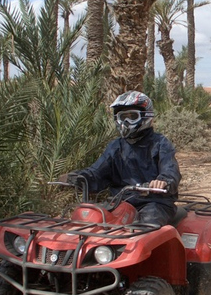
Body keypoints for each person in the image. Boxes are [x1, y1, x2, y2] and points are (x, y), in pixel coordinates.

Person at [62, 91, 181, 226]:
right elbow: (98, 171)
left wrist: (163, 181)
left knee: (146, 228)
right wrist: (80, 177)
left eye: (132, 116)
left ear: (146, 116)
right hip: (120, 202)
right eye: (122, 117)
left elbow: (170, 169)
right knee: (92, 223)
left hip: (154, 202)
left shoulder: (160, 143)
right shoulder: (115, 146)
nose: (126, 122)